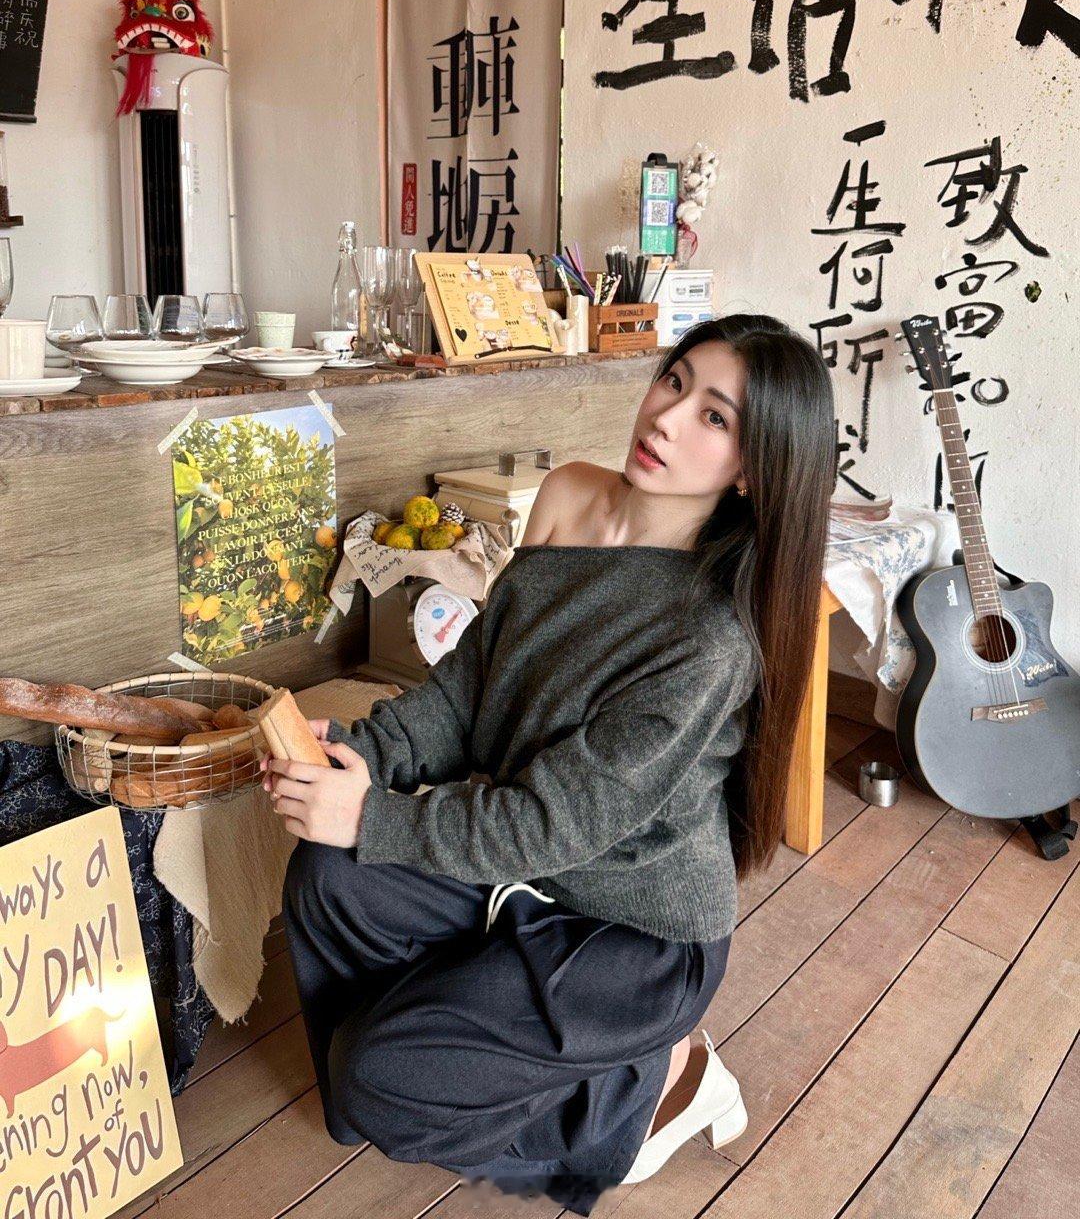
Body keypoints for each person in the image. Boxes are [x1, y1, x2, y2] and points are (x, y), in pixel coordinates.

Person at [263, 313, 835, 1213]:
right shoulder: (569, 493)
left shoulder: (709, 636)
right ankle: (413, 1069)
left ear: (752, 469)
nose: (666, 418)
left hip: (630, 935)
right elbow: (470, 687)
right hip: (529, 876)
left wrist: (373, 815)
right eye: (675, 381)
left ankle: (647, 1092)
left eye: (714, 417)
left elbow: (551, 823)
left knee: (380, 1077)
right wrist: (358, 756)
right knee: (327, 876)